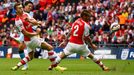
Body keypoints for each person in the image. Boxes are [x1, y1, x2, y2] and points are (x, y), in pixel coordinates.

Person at [11, 3, 66, 71]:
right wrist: (35, 33)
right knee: (50, 48)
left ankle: (17, 65)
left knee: (31, 56)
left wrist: (33, 22)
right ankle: (56, 66)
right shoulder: (18, 21)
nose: (21, 9)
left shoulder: (25, 14)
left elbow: (33, 21)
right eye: (19, 8)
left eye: (21, 7)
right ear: (16, 10)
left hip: (28, 41)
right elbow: (25, 33)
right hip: (31, 39)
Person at [10, 1, 35, 71]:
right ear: (25, 6)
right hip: (26, 32)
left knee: (25, 50)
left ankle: (55, 61)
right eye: (29, 6)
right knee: (21, 48)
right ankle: (25, 65)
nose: (30, 7)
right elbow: (19, 24)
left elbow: (34, 24)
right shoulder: (21, 13)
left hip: (32, 32)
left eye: (31, 6)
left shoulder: (31, 14)